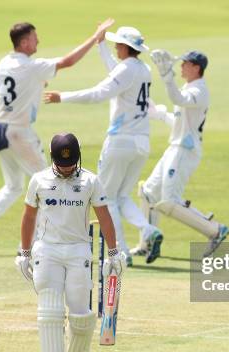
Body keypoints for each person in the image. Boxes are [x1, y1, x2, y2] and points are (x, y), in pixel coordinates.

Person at [0, 19, 114, 252]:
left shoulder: (5, 63)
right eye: (35, 38)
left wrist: (38, 85)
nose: (39, 41)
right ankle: (28, 243)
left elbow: (22, 86)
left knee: (13, 186)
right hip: (19, 133)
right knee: (48, 183)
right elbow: (68, 61)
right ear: (24, 42)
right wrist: (95, 37)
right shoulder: (31, 66)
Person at [44, 26, 164, 265]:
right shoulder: (142, 69)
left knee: (107, 198)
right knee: (121, 196)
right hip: (141, 143)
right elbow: (116, 75)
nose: (115, 48)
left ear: (125, 47)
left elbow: (99, 93)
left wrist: (63, 97)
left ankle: (121, 252)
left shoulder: (128, 69)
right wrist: (100, 45)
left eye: (117, 44)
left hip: (121, 141)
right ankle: (148, 230)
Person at [14, 133, 126, 352]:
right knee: (50, 312)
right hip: (47, 251)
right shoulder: (39, 180)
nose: (67, 168)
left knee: (80, 315)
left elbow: (105, 216)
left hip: (78, 251)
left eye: (71, 163)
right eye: (62, 163)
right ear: (53, 158)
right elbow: (29, 217)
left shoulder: (90, 181)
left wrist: (113, 252)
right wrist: (24, 252)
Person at [132, 50, 229, 258]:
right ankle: (146, 243)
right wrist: (159, 114)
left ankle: (214, 230)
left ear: (196, 68)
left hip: (185, 151)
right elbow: (180, 122)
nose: (181, 66)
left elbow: (177, 97)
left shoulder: (199, 90)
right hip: (175, 147)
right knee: (148, 192)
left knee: (169, 201)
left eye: (185, 63)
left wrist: (167, 76)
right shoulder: (189, 87)